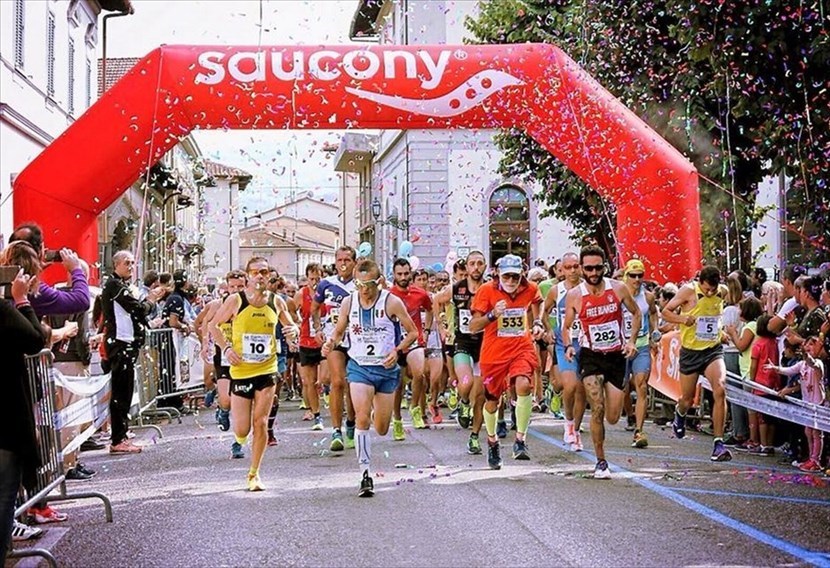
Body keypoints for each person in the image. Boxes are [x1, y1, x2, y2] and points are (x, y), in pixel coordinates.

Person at [323, 259, 419, 497]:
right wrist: (330, 343)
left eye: (369, 285)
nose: (364, 290)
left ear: (379, 282)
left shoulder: (392, 302)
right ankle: (365, 474)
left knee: (382, 428)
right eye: (359, 284)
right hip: (360, 367)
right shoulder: (349, 302)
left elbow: (413, 332)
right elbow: (338, 331)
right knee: (362, 417)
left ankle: (379, 414)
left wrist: (397, 351)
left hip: (385, 370)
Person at [208, 257, 299, 491]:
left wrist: (293, 332)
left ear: (270, 276)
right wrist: (227, 349)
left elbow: (291, 326)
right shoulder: (236, 300)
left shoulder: (276, 301)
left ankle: (254, 473)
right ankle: (239, 440)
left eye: (264, 272)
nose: (260, 276)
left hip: (267, 368)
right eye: (255, 272)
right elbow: (213, 326)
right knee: (242, 429)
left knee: (260, 422)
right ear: (248, 276)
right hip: (241, 370)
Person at [562, 246, 641, 479]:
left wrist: (632, 341)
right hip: (591, 356)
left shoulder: (618, 288)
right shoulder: (575, 295)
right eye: (589, 268)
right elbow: (567, 327)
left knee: (613, 417)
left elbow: (636, 313)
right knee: (597, 407)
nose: (594, 273)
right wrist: (568, 346)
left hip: (616, 355)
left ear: (604, 266)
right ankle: (601, 461)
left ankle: (603, 444)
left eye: (598, 268)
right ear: (581, 269)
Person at [470, 254, 545, 468]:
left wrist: (537, 322)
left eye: (515, 276)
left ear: (522, 275)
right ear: (497, 274)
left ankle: (520, 440)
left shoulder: (530, 288)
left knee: (524, 385)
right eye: (506, 277)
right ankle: (492, 441)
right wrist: (493, 315)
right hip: (494, 353)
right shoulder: (486, 290)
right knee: (492, 401)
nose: (511, 281)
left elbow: (538, 301)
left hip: (521, 347)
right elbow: (473, 326)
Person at [1, 244, 49, 557]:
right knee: (4, 494)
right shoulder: (3, 310)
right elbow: (34, 339)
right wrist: (21, 299)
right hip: (6, 416)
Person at [661, 265, 733, 462]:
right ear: (699, 282)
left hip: (712, 350)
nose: (710, 293)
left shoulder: (723, 292)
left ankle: (718, 444)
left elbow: (715, 317)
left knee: (720, 389)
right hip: (691, 352)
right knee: (687, 399)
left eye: (713, 289)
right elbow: (665, 312)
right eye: (706, 289)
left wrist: (721, 332)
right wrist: (682, 319)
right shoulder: (687, 291)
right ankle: (680, 413)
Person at [101, 250, 164, 455]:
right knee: (121, 391)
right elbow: (136, 309)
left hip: (128, 342)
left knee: (126, 390)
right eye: (126, 263)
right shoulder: (115, 285)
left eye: (132, 263)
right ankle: (118, 439)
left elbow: (138, 314)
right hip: (120, 343)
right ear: (116, 265)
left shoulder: (123, 285)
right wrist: (151, 300)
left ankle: (122, 433)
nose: (130, 266)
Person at [434, 251, 487, 455]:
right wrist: (441, 326)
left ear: (485, 266)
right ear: (467, 267)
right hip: (463, 342)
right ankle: (463, 402)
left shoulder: (490, 288)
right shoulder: (457, 288)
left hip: (485, 345)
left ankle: (474, 437)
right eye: (472, 263)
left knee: (480, 396)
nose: (476, 267)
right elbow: (437, 300)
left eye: (479, 263)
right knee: (465, 382)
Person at [312, 246, 357, 452]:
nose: (343, 264)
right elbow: (315, 309)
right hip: (334, 339)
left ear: (354, 262)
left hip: (357, 339)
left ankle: (351, 422)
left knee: (353, 384)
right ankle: (336, 430)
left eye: (347, 260)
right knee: (337, 381)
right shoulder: (326, 284)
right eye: (340, 260)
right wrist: (318, 328)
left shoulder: (361, 284)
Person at [541, 252, 586, 451]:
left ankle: (576, 431)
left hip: (586, 343)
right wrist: (549, 329)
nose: (573, 271)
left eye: (576, 266)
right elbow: (544, 312)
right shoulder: (556, 290)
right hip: (564, 342)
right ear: (561, 270)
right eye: (568, 267)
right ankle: (568, 422)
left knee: (583, 390)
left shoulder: (588, 288)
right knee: (570, 385)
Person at [195, 270, 246, 438]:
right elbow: (207, 323)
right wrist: (205, 344)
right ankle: (223, 409)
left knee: (244, 399)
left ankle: (241, 437)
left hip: (244, 356)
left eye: (240, 287)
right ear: (227, 287)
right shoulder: (219, 304)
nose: (236, 290)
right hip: (223, 354)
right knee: (226, 399)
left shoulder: (251, 304)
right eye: (232, 287)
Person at [768, 336, 826, 472]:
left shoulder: (818, 364)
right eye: (807, 344)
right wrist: (775, 368)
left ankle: (816, 460)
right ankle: (811, 458)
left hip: (818, 404)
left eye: (812, 344)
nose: (808, 346)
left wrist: (807, 356)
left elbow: (813, 364)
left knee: (816, 432)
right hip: (807, 403)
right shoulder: (801, 365)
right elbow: (789, 370)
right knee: (808, 431)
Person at [389, 258, 432, 434]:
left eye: (406, 273)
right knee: (398, 384)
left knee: (419, 373)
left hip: (415, 340)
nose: (403, 277)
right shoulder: (388, 295)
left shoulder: (420, 294)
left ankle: (415, 408)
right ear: (394, 275)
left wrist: (426, 330)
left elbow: (430, 309)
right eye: (399, 274)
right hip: (395, 343)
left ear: (411, 273)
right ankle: (397, 419)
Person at [9, 223, 90, 317]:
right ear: (40, 252)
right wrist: (76, 269)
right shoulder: (32, 289)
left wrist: (35, 269)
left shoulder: (8, 277)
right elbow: (82, 301)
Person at [619, 259, 658, 449]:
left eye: (640, 276)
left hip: (641, 345)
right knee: (623, 388)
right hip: (620, 347)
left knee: (641, 385)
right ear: (626, 276)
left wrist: (654, 331)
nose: (636, 279)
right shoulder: (618, 294)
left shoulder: (648, 296)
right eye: (632, 275)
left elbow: (653, 313)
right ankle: (629, 414)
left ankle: (639, 431)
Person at [295, 263, 326, 431]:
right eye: (312, 279)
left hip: (325, 342)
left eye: (318, 279)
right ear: (307, 279)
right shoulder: (301, 294)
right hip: (306, 341)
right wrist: (297, 324)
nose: (315, 282)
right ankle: (317, 414)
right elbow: (290, 312)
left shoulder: (328, 293)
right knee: (309, 382)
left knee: (326, 378)